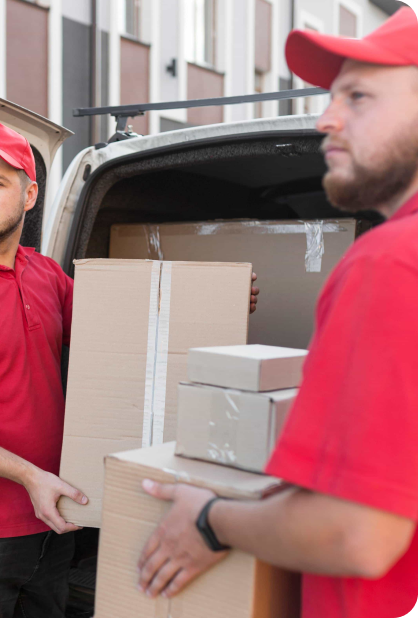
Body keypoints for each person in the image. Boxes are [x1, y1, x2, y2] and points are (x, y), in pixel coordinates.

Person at [0, 122, 260, 617]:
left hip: (56, 515)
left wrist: (222, 301)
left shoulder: (43, 274)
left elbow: (130, 324)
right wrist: (30, 477)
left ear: (29, 196)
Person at [134, 8, 418, 618]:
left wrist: (210, 521)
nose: (326, 119)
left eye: (359, 96)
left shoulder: (392, 261)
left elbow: (360, 534)